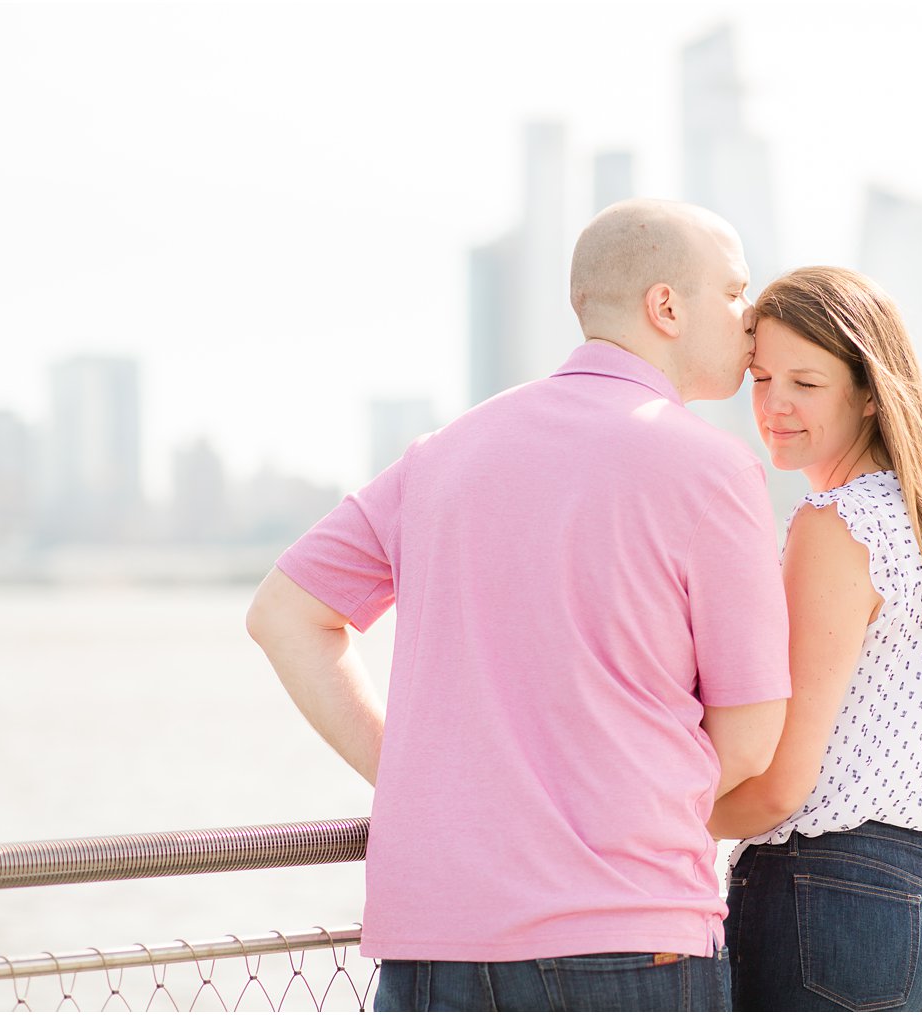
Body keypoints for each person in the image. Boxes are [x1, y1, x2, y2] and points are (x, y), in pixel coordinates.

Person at [246, 199, 792, 1012]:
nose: (752, 322)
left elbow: (283, 614)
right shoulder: (712, 469)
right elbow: (749, 741)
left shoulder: (441, 454)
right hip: (624, 934)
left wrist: (416, 779)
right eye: (736, 291)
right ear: (667, 306)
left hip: (433, 939)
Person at [708, 266, 922, 1012]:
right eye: (762, 377)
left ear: (870, 391)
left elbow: (779, 785)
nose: (773, 405)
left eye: (806, 382)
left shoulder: (836, 524)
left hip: (834, 901)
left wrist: (632, 822)